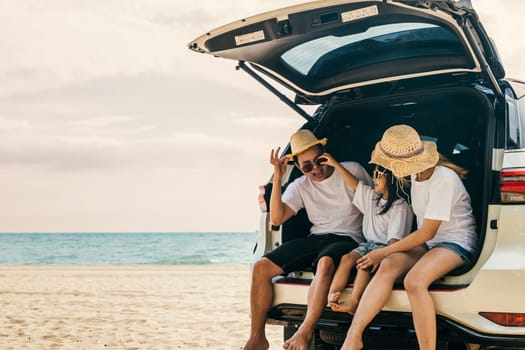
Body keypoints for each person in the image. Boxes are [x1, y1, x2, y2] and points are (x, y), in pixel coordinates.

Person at [340, 124, 477, 350]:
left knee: (414, 281)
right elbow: (424, 232)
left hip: (456, 242)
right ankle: (353, 338)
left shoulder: (444, 179)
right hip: (431, 243)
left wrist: (381, 251)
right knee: (388, 265)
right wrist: (384, 254)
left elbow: (427, 231)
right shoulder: (414, 175)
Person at [243, 129, 372, 350]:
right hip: (317, 237)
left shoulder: (351, 169)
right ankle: (257, 338)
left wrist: (336, 166)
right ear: (300, 168)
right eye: (307, 166)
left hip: (348, 237)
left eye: (318, 160)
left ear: (325, 153)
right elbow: (277, 218)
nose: (316, 169)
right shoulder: (300, 185)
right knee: (261, 267)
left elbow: (372, 201)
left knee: (325, 263)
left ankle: (304, 331)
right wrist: (277, 177)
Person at [326, 164, 413, 315]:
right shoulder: (373, 198)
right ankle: (332, 295)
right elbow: (353, 183)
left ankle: (354, 301)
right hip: (367, 244)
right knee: (346, 259)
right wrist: (334, 164)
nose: (373, 179)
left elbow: (394, 242)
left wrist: (381, 256)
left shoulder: (400, 206)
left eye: (378, 175)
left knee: (363, 265)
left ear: (391, 178)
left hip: (385, 248)